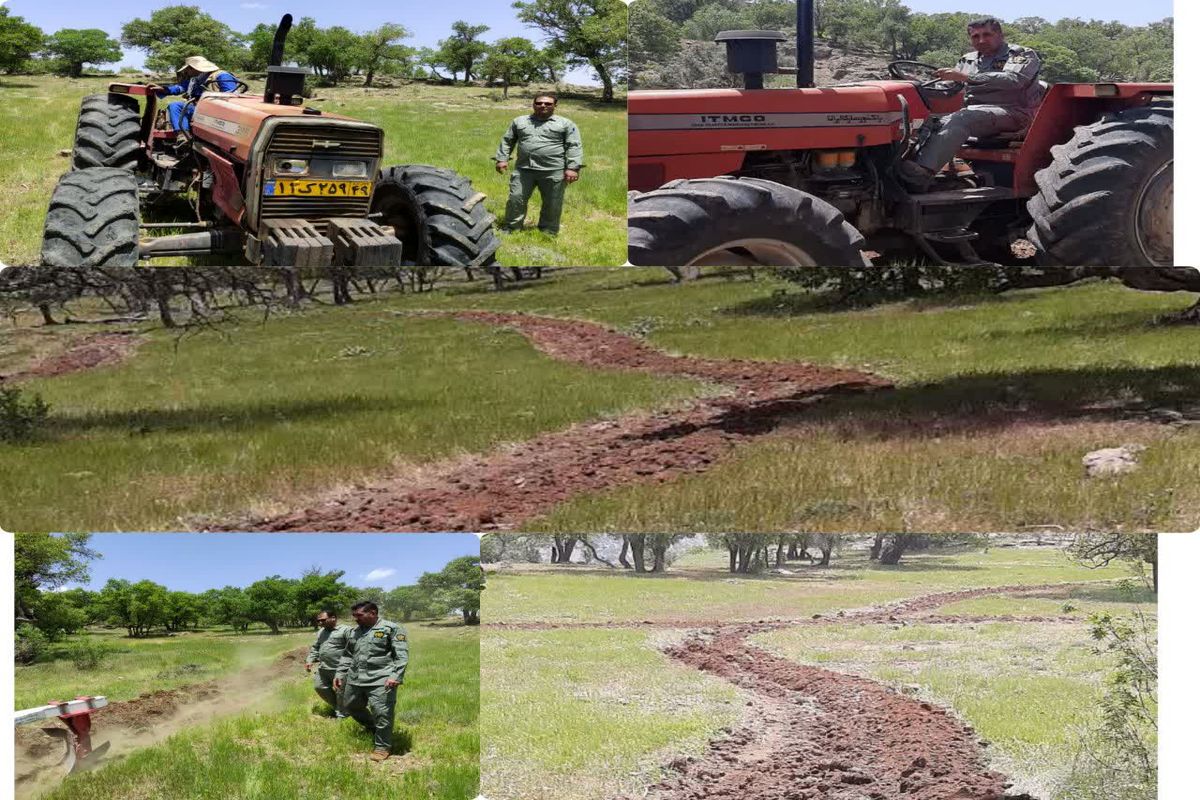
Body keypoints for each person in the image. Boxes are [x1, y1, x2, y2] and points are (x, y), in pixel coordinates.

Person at [898, 18, 1042, 193]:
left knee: (962, 118)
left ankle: (920, 175)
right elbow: (949, 89)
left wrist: (966, 78)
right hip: (977, 115)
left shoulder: (1020, 54)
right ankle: (900, 166)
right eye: (975, 37)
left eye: (987, 34)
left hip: (1016, 113)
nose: (981, 40)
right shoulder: (968, 60)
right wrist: (918, 87)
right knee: (928, 121)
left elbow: (1014, 80)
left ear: (1000, 34)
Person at [492, 93, 584, 236]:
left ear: (555, 106)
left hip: (553, 170)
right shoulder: (520, 121)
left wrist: (573, 168)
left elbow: (574, 145)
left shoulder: (565, 124)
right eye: (539, 103)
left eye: (548, 104)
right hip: (524, 170)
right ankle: (511, 228)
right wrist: (502, 159)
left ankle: (548, 232)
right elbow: (508, 140)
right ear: (533, 104)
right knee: (516, 199)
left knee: (552, 203)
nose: (543, 106)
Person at [334, 600, 408, 762]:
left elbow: (401, 655)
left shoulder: (391, 629)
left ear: (373, 613)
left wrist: (395, 676)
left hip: (381, 679)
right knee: (350, 705)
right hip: (355, 678)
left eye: (359, 615)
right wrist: (339, 674)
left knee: (382, 713)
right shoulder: (355, 632)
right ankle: (372, 727)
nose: (356, 619)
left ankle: (382, 747)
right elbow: (347, 655)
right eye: (354, 616)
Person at [148, 56, 240, 136]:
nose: (186, 72)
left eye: (187, 69)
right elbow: (179, 88)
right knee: (175, 106)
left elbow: (231, 96)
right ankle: (182, 136)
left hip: (217, 111)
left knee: (178, 106)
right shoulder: (195, 80)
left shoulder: (222, 76)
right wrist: (162, 89)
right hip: (199, 109)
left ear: (193, 68)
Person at [305, 610, 350, 718]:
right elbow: (316, 647)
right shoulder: (321, 632)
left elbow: (353, 649)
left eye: (323, 620)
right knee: (319, 687)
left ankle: (342, 715)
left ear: (333, 618)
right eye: (318, 621)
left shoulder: (346, 630)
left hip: (339, 669)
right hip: (323, 668)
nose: (320, 623)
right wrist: (310, 659)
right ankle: (338, 707)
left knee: (340, 692)